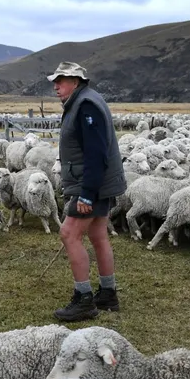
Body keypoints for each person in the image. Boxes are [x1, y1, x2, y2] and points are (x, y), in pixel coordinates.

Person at [47, 62, 127, 322]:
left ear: (76, 81)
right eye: (55, 81)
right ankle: (107, 293)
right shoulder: (84, 102)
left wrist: (86, 193)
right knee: (98, 235)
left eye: (61, 81)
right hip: (99, 182)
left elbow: (95, 152)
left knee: (69, 234)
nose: (56, 86)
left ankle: (83, 300)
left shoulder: (85, 106)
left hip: (92, 184)